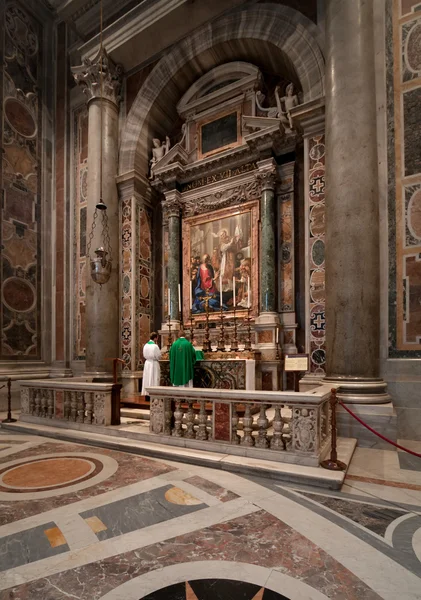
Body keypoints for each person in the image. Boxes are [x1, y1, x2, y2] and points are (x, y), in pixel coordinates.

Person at [141, 332, 162, 401]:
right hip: (153, 363)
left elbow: (144, 355)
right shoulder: (155, 346)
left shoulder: (145, 345)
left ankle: (147, 395)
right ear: (155, 338)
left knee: (147, 378)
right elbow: (159, 356)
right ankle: (154, 394)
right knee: (154, 378)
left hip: (147, 363)